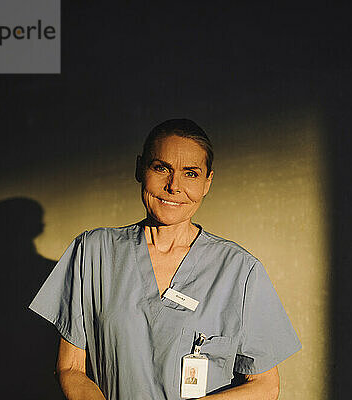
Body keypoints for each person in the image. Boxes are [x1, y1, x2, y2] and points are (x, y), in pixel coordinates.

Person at [29, 119, 301, 400]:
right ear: (140, 169)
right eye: (161, 168)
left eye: (191, 174)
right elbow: (71, 368)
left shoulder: (240, 271)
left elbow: (265, 385)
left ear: (208, 182)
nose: (174, 186)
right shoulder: (92, 252)